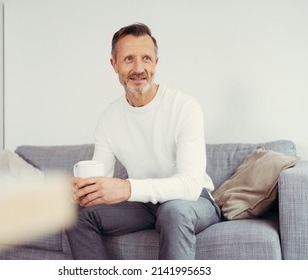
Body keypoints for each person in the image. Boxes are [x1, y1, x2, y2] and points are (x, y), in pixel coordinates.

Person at [67, 23, 221, 260]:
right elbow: (101, 179)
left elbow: (190, 185)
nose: (139, 68)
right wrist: (83, 192)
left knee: (173, 212)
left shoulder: (184, 106)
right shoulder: (109, 119)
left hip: (191, 200)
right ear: (114, 65)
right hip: (143, 204)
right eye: (129, 59)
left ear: (156, 63)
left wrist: (128, 188)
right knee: (77, 213)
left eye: (146, 58)